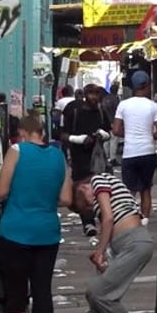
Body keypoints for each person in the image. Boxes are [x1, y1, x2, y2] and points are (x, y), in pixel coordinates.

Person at [0, 113, 72, 313]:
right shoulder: (59, 156)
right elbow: (67, 199)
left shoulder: (17, 150)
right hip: (47, 231)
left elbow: (1, 191)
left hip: (15, 230)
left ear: (23, 134)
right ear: (43, 133)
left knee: (16, 291)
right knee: (42, 290)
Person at [72, 172, 153, 313]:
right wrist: (104, 257)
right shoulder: (108, 194)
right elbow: (110, 226)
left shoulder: (98, 180)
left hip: (134, 241)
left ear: (83, 188)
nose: (90, 206)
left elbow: (108, 218)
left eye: (86, 203)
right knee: (94, 292)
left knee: (100, 292)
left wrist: (99, 251)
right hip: (127, 243)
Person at [113, 71, 157, 226]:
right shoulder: (153, 106)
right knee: (146, 189)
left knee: (129, 190)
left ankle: (128, 218)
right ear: (147, 85)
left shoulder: (123, 105)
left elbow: (116, 130)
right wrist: (150, 136)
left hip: (130, 153)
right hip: (148, 152)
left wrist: (128, 134)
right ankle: (145, 220)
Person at [61, 81, 113, 236]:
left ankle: (100, 219)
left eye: (96, 94)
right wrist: (78, 139)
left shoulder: (101, 112)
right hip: (79, 159)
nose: (94, 97)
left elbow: (108, 131)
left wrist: (103, 135)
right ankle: (88, 222)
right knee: (81, 191)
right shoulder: (73, 111)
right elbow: (61, 134)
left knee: (98, 190)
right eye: (91, 93)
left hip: (97, 159)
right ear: (84, 95)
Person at [102, 82, 123, 166]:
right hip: (114, 122)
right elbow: (118, 112)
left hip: (105, 122)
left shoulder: (105, 99)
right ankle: (112, 158)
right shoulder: (115, 99)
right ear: (116, 90)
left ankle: (106, 157)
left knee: (106, 140)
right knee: (114, 140)